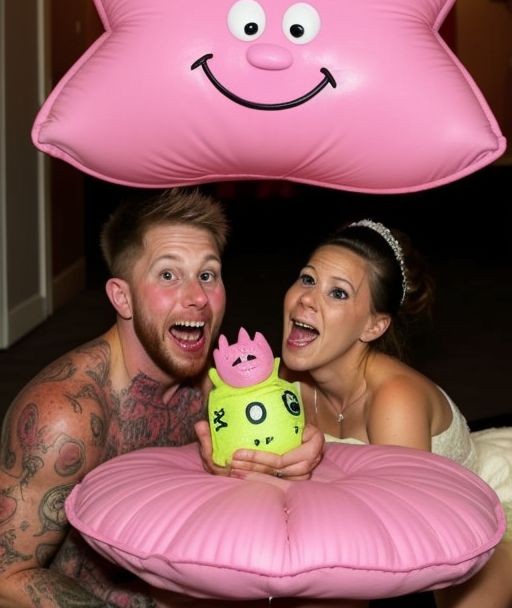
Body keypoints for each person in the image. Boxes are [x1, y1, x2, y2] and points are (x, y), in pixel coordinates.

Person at [0, 187, 323, 608]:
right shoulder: (65, 417)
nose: (198, 297)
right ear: (122, 297)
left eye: (208, 275)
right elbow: (6, 576)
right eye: (168, 275)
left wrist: (293, 456)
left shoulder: (219, 391)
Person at [281, 218, 512, 608]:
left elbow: (400, 542)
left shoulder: (395, 399)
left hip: (477, 514)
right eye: (307, 279)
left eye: (338, 293)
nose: (307, 299)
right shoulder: (286, 384)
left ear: (374, 326)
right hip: (356, 523)